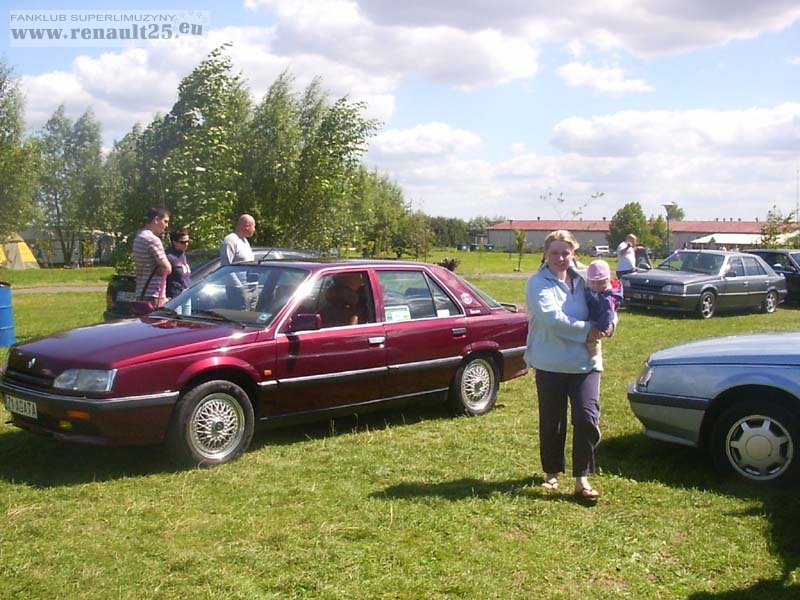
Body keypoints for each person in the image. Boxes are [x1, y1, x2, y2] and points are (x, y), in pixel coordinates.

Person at [524, 230, 614, 500]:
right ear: (545, 254)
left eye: (565, 252)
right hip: (551, 362)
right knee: (553, 421)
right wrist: (589, 330)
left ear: (573, 253)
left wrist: (608, 325)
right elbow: (552, 319)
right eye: (555, 252)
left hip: (586, 362)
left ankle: (582, 478)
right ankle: (552, 474)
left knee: (587, 418)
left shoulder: (587, 278)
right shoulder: (537, 283)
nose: (560, 258)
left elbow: (608, 301)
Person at [584, 260, 623, 367]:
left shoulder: (607, 298)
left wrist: (603, 327)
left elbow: (609, 313)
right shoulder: (593, 288)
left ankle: (594, 356)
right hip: (592, 316)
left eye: (601, 282)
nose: (596, 286)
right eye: (593, 282)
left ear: (608, 280)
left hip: (598, 321)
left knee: (593, 339)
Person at [133, 207, 172, 307]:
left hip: (141, 292)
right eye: (165, 221)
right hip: (154, 294)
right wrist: (162, 268)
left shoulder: (139, 237)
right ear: (156, 220)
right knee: (156, 322)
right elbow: (167, 269)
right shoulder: (152, 239)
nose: (166, 226)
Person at [165, 227, 192, 300]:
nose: (186, 244)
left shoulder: (183, 255)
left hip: (186, 296)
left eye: (188, 241)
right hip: (174, 298)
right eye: (182, 242)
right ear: (174, 242)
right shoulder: (169, 257)